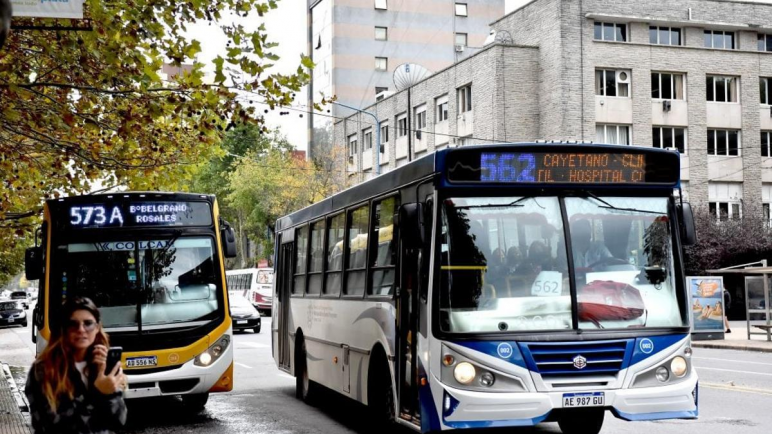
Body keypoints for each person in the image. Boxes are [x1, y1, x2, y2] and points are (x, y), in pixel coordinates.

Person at [25, 297, 127, 434]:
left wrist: (110, 395)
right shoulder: (43, 370)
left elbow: (118, 420)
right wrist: (98, 393)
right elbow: (51, 425)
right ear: (64, 329)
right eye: (73, 324)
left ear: (97, 327)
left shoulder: (104, 366)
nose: (81, 329)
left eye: (88, 323)